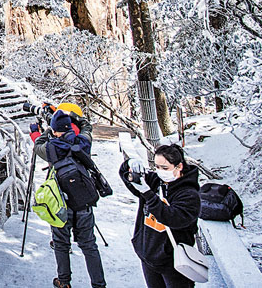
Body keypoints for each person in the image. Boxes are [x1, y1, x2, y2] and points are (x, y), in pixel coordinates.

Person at [31, 109, 106, 288]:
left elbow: (37, 144)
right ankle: (99, 284)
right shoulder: (83, 142)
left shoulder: (51, 148)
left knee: (61, 244)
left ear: (55, 130)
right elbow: (87, 127)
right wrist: (74, 117)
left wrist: (44, 130)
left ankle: (64, 281)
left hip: (61, 204)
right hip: (84, 202)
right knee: (89, 245)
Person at [118, 143, 201, 288]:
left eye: (165, 168)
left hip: (173, 262)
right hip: (148, 256)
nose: (160, 172)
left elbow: (172, 218)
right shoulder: (155, 181)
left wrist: (149, 194)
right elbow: (127, 176)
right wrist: (129, 164)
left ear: (179, 167)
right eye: (156, 167)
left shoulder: (189, 195)